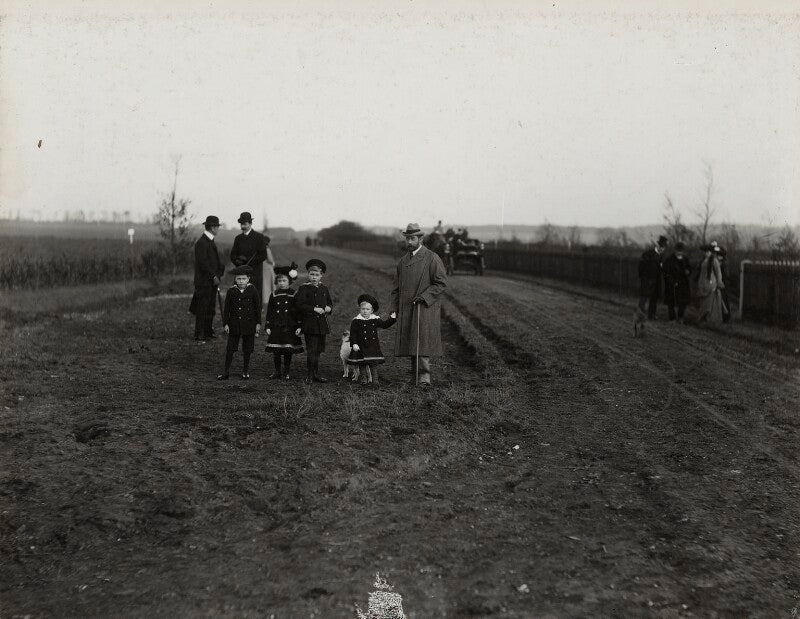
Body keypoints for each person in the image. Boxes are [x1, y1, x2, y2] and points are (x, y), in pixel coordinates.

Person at [389, 223, 448, 388]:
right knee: (411, 341)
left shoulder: (432, 258)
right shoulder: (402, 261)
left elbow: (441, 283)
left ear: (420, 239)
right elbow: (395, 289)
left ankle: (424, 377)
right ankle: (414, 376)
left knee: (422, 341)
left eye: (412, 238)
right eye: (407, 238)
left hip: (424, 308)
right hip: (407, 307)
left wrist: (424, 296)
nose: (409, 241)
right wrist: (394, 309)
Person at [217, 265, 261, 380]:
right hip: (234, 323)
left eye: (243, 279)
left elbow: (257, 307)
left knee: (247, 348)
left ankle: (245, 371)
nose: (241, 281)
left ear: (248, 279)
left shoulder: (253, 290)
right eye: (239, 279)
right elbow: (227, 309)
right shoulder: (232, 291)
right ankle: (226, 371)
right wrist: (226, 323)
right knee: (230, 348)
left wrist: (258, 323)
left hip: (249, 324)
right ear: (235, 279)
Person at [295, 258, 333, 383]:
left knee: (318, 350)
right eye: (312, 274)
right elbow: (299, 305)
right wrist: (313, 309)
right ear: (308, 274)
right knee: (311, 350)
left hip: (321, 325)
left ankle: (316, 374)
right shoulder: (304, 288)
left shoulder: (324, 288)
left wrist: (328, 308)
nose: (314, 277)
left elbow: (329, 304)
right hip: (309, 324)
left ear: (321, 276)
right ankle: (310, 375)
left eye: (317, 275)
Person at [346, 293, 396, 386]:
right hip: (360, 346)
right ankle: (363, 379)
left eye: (367, 309)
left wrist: (392, 319)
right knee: (362, 363)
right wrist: (354, 344)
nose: (365, 311)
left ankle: (375, 380)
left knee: (373, 364)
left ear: (372, 310)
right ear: (360, 309)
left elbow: (385, 325)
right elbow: (353, 334)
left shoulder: (375, 319)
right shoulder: (356, 321)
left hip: (372, 346)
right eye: (363, 309)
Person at [264, 264, 303, 380]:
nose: (281, 283)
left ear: (289, 281)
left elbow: (298, 311)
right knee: (276, 350)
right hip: (276, 326)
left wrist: (299, 325)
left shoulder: (294, 294)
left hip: (289, 326)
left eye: (284, 280)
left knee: (287, 350)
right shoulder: (274, 294)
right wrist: (268, 325)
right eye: (279, 280)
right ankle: (277, 371)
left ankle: (286, 371)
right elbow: (270, 311)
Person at [191, 215, 224, 343]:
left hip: (210, 282)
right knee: (202, 308)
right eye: (217, 227)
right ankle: (199, 334)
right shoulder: (201, 242)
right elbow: (203, 263)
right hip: (204, 282)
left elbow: (213, 262)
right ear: (212, 227)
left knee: (210, 307)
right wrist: (214, 276)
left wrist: (219, 273)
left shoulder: (210, 241)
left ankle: (207, 332)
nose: (219, 229)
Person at [230, 212, 268, 305]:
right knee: (240, 298)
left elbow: (263, 255)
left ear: (250, 223)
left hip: (254, 273)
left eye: (245, 224)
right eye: (241, 224)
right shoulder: (238, 238)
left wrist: (248, 262)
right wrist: (238, 261)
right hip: (240, 274)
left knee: (254, 297)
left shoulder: (259, 237)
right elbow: (232, 255)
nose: (243, 226)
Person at [688, 244, 725, 325]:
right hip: (703, 283)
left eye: (708, 252)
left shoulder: (714, 260)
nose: (706, 253)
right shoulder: (704, 260)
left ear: (711, 252)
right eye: (705, 252)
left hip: (711, 283)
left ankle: (711, 319)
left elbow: (718, 272)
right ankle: (704, 318)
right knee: (703, 302)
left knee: (710, 303)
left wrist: (719, 282)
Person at [637, 235, 668, 319]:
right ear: (657, 245)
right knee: (644, 296)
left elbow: (662, 268)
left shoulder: (662, 257)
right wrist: (643, 277)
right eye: (660, 246)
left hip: (656, 280)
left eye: (663, 247)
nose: (661, 249)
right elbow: (641, 266)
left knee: (654, 298)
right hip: (647, 278)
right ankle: (640, 313)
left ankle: (652, 315)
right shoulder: (648, 254)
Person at [662, 241, 692, 322]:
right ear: (675, 250)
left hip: (683, 284)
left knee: (683, 302)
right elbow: (665, 272)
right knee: (671, 302)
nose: (679, 253)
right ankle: (672, 318)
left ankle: (680, 317)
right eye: (678, 251)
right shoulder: (669, 260)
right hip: (672, 284)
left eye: (681, 251)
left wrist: (688, 271)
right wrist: (671, 281)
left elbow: (690, 268)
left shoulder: (685, 259)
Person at [262, 236, 276, 308]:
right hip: (268, 268)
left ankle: (264, 299)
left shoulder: (260, 248)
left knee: (264, 284)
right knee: (269, 284)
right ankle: (267, 299)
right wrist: (273, 263)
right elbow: (270, 259)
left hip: (262, 267)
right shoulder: (267, 249)